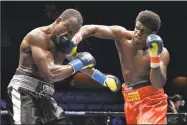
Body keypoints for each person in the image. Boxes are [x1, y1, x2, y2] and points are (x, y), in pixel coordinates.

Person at [6, 9, 121, 125]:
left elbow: (80, 65)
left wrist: (103, 79)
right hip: (24, 91)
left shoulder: (64, 44)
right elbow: (51, 73)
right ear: (58, 21)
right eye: (67, 29)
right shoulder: (38, 37)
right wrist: (79, 62)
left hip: (46, 96)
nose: (68, 35)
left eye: (72, 33)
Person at [69, 10, 170, 124]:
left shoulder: (161, 52)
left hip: (152, 101)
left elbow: (158, 84)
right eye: (137, 28)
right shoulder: (123, 36)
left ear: (152, 34)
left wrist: (154, 57)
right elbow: (93, 29)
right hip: (129, 99)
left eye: (143, 31)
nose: (138, 33)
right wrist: (75, 39)